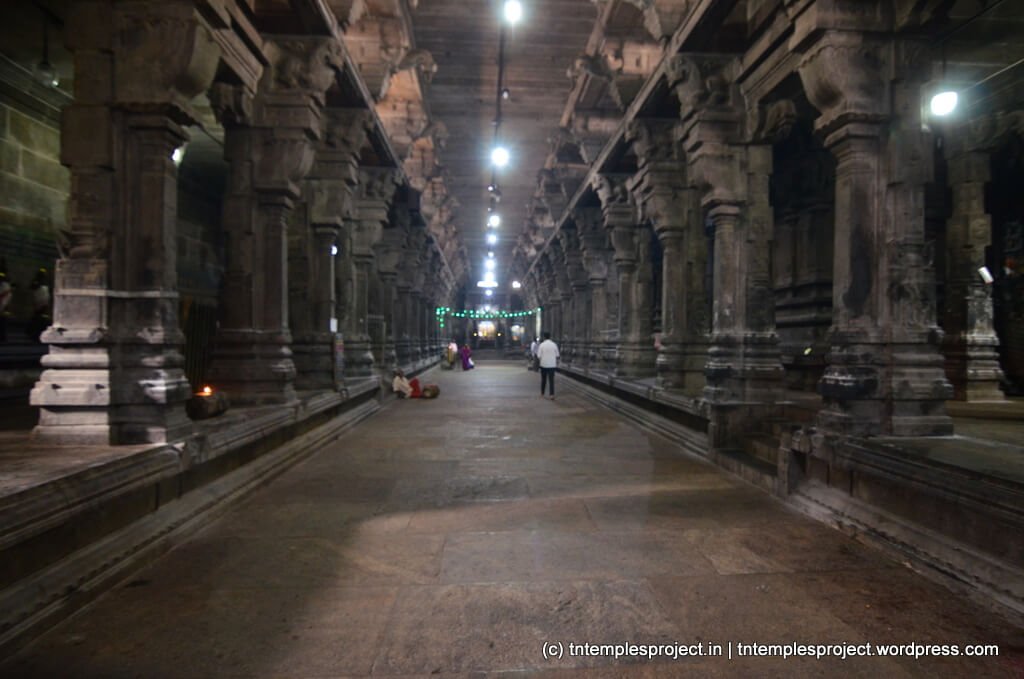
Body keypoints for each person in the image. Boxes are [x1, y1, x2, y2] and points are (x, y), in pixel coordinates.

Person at [537, 331, 560, 399]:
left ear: (544, 337)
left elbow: (539, 356)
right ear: (550, 337)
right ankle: (551, 394)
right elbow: (557, 355)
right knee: (551, 380)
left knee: (543, 379)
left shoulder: (542, 345)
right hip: (552, 365)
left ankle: (542, 393)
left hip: (543, 365)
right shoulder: (554, 344)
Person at [0, 271, 11, 343]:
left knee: (3, 322)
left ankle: (3, 337)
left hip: (4, 307)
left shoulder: (5, 286)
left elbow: (6, 297)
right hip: (3, 306)